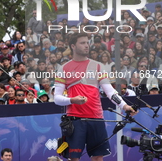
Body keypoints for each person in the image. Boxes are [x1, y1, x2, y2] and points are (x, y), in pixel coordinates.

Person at [54, 33, 136, 161]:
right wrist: (72, 100)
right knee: (74, 158)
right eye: (82, 43)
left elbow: (110, 91)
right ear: (73, 46)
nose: (87, 45)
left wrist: (124, 106)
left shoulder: (98, 66)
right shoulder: (63, 68)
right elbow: (57, 98)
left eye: (87, 42)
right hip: (75, 120)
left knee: (98, 157)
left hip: (96, 118)